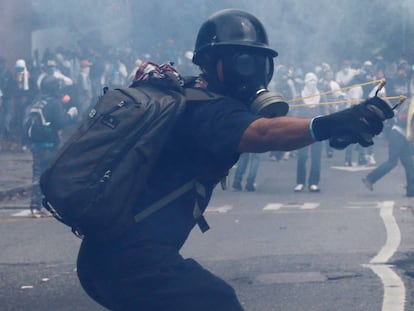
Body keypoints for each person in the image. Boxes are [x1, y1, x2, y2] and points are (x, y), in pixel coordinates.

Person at [75, 9, 393, 311]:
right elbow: (266, 134)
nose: (253, 72)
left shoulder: (187, 92)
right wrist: (331, 124)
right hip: (130, 261)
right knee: (216, 301)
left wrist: (325, 131)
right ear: (215, 63)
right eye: (244, 61)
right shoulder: (208, 109)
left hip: (108, 256)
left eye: (259, 63)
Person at [26, 75, 78, 217]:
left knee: (38, 174)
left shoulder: (37, 101)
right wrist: (70, 115)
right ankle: (49, 204)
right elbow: (60, 122)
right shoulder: (54, 103)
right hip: (49, 144)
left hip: (36, 144)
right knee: (52, 176)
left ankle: (35, 205)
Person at [362, 97, 414, 197]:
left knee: (409, 164)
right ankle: (370, 179)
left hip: (402, 136)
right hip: (398, 135)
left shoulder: (410, 103)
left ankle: (411, 192)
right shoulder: (410, 106)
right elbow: (404, 121)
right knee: (392, 162)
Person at [293, 72, 324, 192]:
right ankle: (300, 182)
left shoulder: (321, 95)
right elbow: (294, 112)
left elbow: (326, 111)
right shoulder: (299, 95)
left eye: (314, 80)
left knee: (316, 158)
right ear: (306, 82)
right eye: (310, 80)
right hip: (303, 131)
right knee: (302, 156)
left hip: (318, 131)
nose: (313, 83)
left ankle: (314, 182)